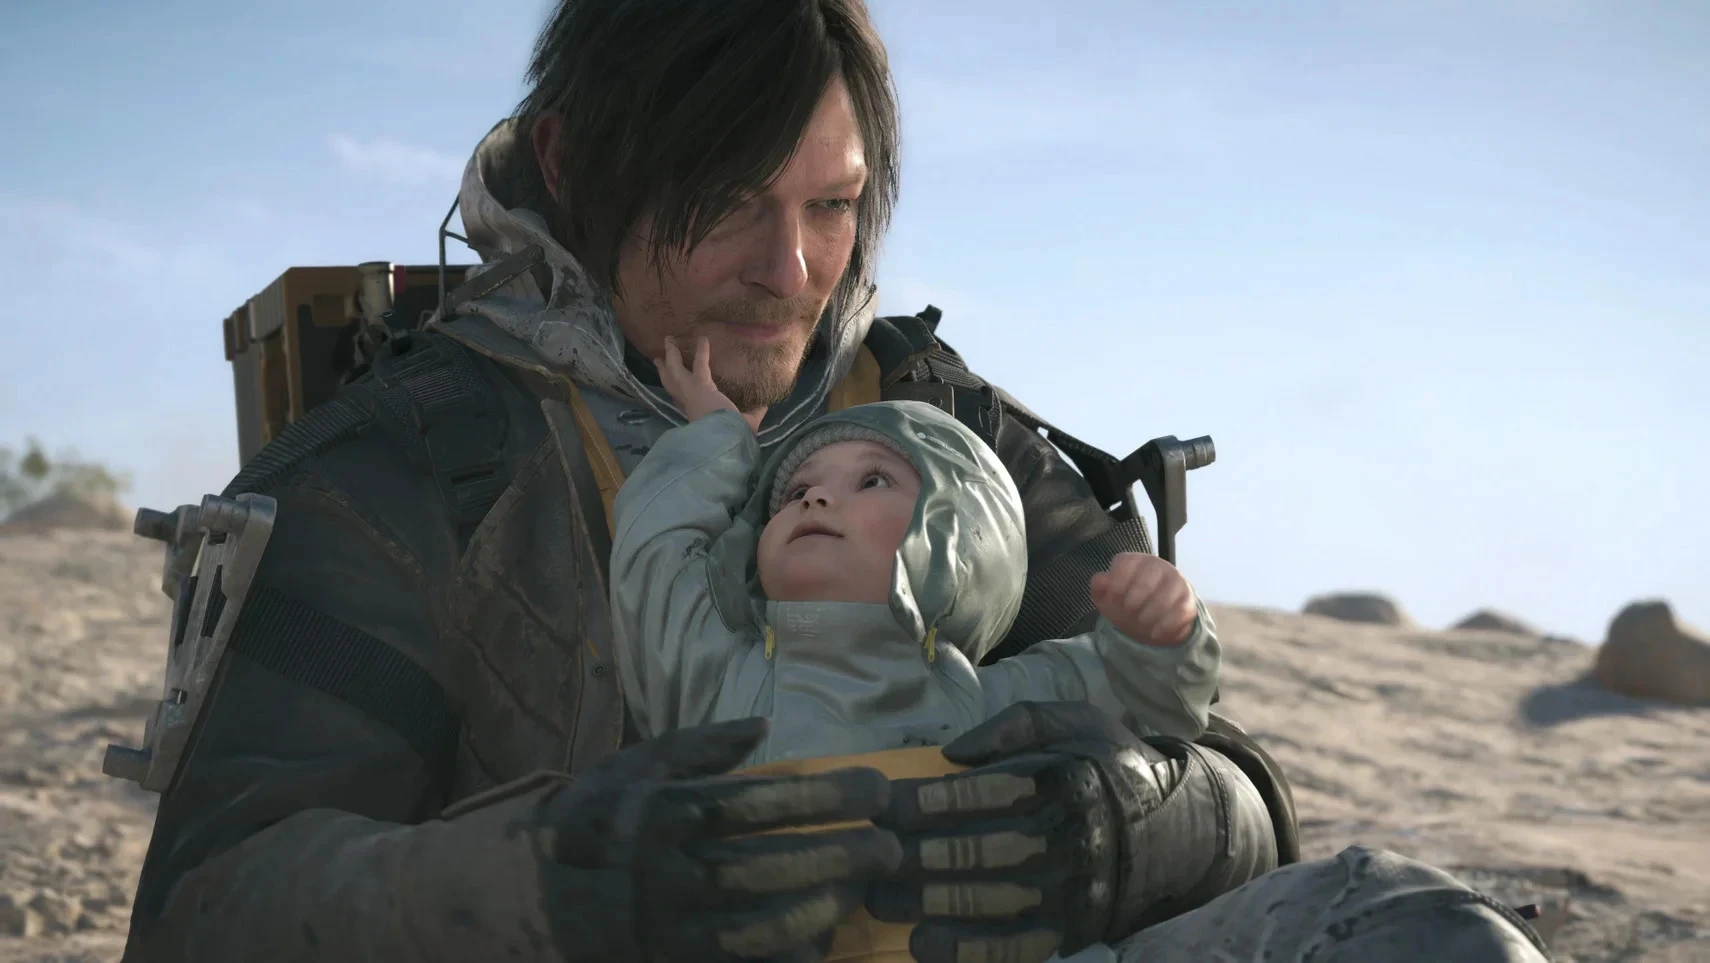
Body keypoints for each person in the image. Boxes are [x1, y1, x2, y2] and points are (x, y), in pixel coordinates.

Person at [120, 1, 1553, 961]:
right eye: (726, 203)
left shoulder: (936, 426)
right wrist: (551, 882)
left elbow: (1230, 780)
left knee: (1423, 933)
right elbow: (208, 907)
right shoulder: (416, 460)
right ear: (573, 162)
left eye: (831, 205)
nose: (791, 270)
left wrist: (1120, 827)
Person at [615, 338, 1221, 766]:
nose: (816, 498)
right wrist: (717, 439)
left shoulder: (993, 706)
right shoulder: (713, 675)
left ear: (961, 534)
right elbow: (655, 559)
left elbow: (1143, 703)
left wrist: (1163, 636)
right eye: (795, 492)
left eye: (872, 481)